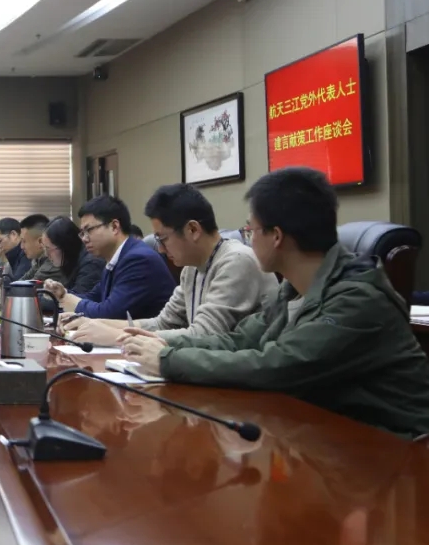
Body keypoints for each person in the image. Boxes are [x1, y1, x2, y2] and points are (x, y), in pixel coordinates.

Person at [119, 167, 429, 438]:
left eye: (250, 230)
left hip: (398, 451)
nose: (247, 239)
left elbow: (276, 366)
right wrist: (165, 346)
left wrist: (168, 360)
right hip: (331, 440)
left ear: (276, 236)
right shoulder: (293, 290)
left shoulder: (357, 299)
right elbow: (239, 340)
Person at [67, 184, 276, 346]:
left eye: (162, 238)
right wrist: (93, 324)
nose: (159, 249)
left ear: (193, 230)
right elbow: (162, 323)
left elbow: (204, 335)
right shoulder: (191, 268)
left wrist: (117, 337)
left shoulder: (236, 261)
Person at [46, 195, 174, 319]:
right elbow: (94, 297)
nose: (84, 239)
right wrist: (63, 294)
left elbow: (108, 314)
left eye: (89, 230)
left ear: (114, 227)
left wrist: (69, 300)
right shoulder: (116, 258)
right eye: (82, 233)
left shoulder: (138, 259)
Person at [42, 216, 104, 296]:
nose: (46, 254)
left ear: (64, 246)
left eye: (48, 248)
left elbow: (78, 299)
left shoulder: (91, 264)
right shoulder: (70, 261)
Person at [19, 214, 65, 283]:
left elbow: (27, 287)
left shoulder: (53, 263)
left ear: (41, 241)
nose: (21, 247)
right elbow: (20, 282)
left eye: (24, 241)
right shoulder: (40, 260)